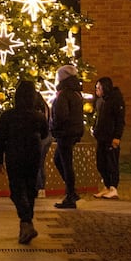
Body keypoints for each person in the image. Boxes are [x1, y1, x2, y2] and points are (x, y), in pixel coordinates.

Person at [0, 80, 50, 243]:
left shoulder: (8, 116)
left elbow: (0, 139)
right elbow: (45, 133)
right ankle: (26, 224)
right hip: (33, 155)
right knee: (30, 189)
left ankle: (26, 222)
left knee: (17, 190)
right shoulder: (38, 116)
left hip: (14, 155)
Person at [51, 64, 85, 209]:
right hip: (73, 131)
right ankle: (72, 191)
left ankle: (70, 195)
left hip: (65, 133)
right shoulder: (75, 93)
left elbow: (61, 115)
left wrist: (54, 126)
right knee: (60, 160)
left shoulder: (64, 94)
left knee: (65, 163)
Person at [92, 76, 126, 199]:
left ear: (105, 88)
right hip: (101, 137)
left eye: (99, 87)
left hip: (111, 137)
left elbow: (120, 120)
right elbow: (98, 118)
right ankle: (106, 186)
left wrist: (117, 136)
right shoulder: (100, 101)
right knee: (100, 163)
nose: (97, 90)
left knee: (112, 162)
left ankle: (113, 187)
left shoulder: (116, 100)